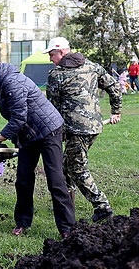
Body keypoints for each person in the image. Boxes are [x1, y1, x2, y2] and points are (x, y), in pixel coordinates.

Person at [0, 55, 75, 238]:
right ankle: (22, 222)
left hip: (48, 130)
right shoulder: (1, 83)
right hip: (29, 135)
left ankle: (67, 228)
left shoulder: (12, 82)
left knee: (55, 180)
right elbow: (16, 116)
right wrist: (16, 141)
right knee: (23, 179)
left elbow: (19, 117)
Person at [44, 37, 122, 223]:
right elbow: (114, 86)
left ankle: (102, 206)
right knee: (66, 167)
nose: (50, 59)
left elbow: (52, 107)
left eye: (51, 54)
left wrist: (55, 132)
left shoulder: (57, 74)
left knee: (77, 168)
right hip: (93, 126)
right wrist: (115, 110)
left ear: (61, 52)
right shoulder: (92, 66)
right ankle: (66, 203)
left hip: (76, 130)